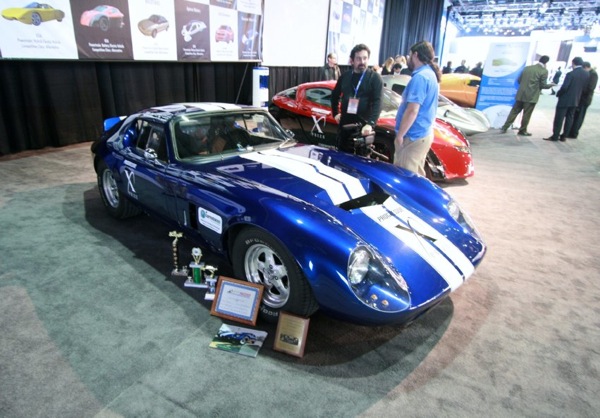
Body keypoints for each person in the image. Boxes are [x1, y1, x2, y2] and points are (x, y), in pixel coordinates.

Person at [394, 40, 441, 176]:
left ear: (415, 55)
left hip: (412, 136)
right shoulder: (430, 74)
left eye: (409, 56)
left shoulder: (420, 77)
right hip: (422, 134)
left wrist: (400, 135)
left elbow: (412, 110)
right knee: (417, 175)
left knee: (405, 177)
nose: (408, 59)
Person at [331, 43, 383, 153]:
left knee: (359, 165)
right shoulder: (345, 77)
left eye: (365, 58)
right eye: (358, 58)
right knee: (342, 161)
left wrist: (370, 124)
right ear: (352, 60)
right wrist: (335, 113)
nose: (362, 62)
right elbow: (335, 96)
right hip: (344, 127)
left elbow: (378, 102)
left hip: (363, 130)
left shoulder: (375, 78)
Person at [500, 55, 554, 136]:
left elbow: (519, 80)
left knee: (514, 111)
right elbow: (543, 85)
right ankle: (522, 130)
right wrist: (551, 85)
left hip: (520, 94)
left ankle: (505, 127)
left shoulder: (527, 68)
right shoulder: (544, 71)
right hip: (531, 97)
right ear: (546, 62)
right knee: (526, 114)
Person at [544, 57, 590, 142]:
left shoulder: (571, 74)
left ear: (573, 63)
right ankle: (564, 136)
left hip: (565, 100)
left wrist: (559, 94)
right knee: (570, 118)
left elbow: (565, 87)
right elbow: (585, 88)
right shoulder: (586, 74)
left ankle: (555, 136)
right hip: (576, 100)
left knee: (559, 118)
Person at [568, 61, 598, 139]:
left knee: (579, 117)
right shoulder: (589, 73)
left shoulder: (593, 74)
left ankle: (574, 133)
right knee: (576, 116)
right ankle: (571, 131)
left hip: (585, 99)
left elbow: (591, 87)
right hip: (580, 98)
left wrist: (581, 89)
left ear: (586, 67)